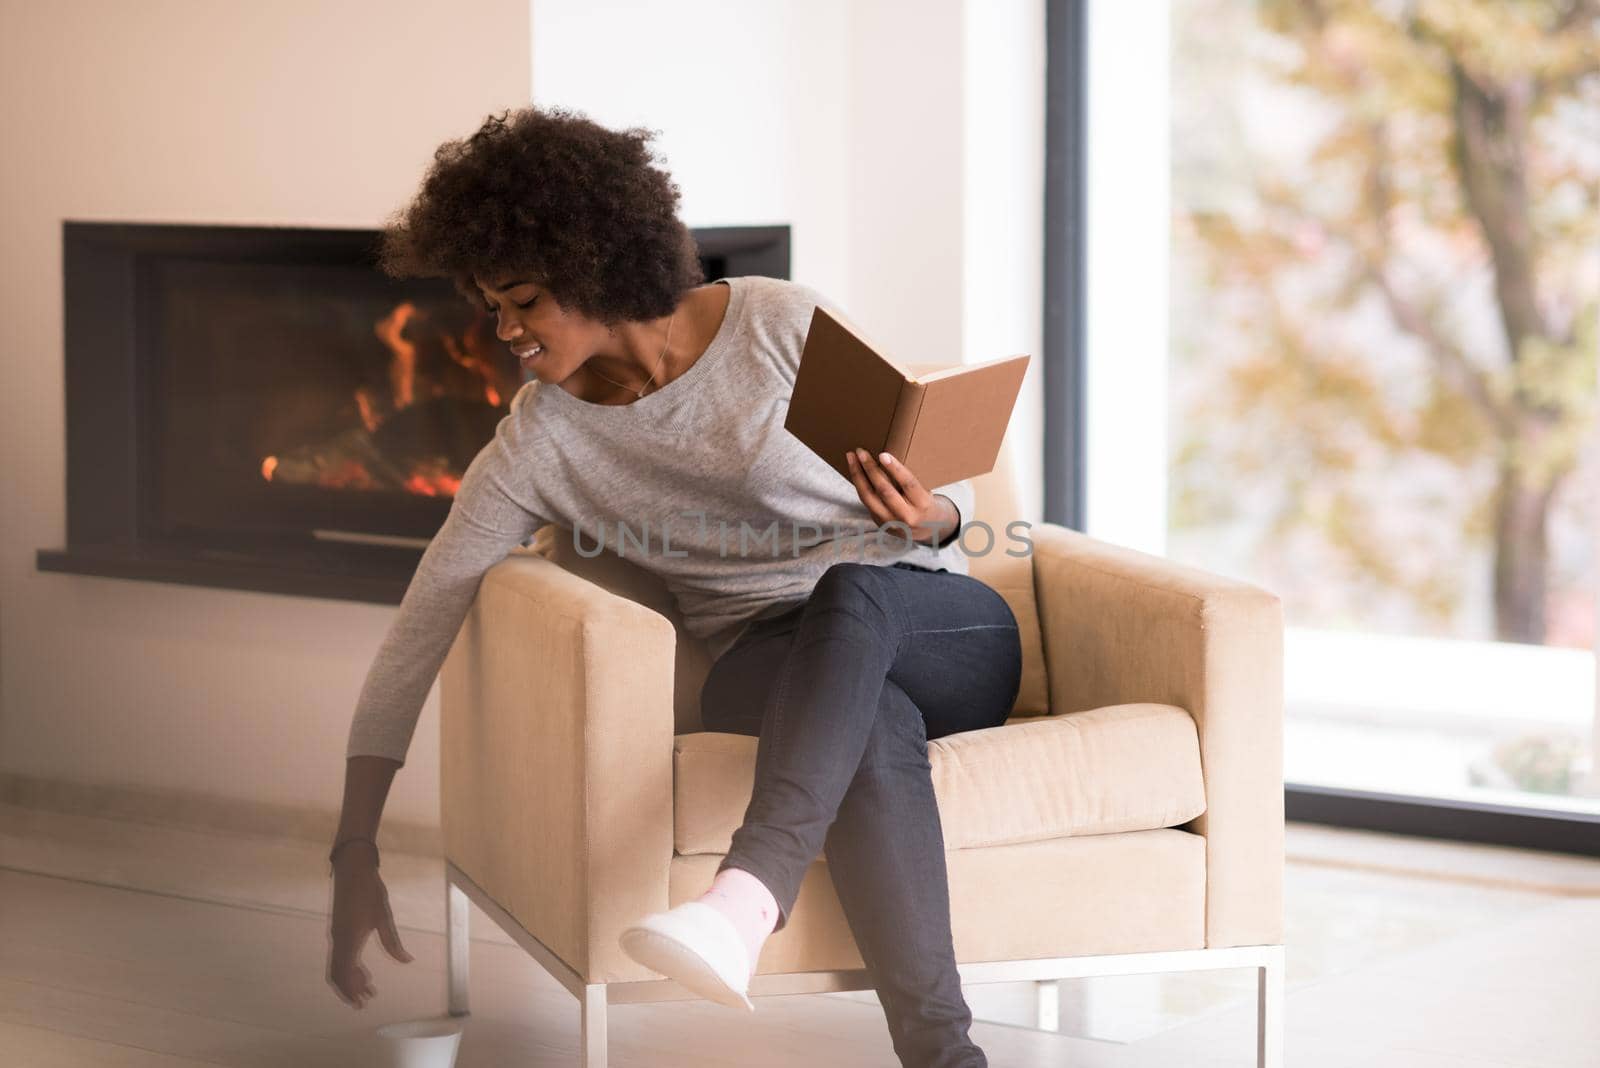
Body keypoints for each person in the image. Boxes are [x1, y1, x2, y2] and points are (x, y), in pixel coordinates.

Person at [326, 104, 1022, 1068]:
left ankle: (743, 898)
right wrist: (352, 847)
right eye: (491, 305)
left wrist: (929, 516)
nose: (505, 331)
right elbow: (423, 625)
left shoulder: (777, 322)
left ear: (595, 263)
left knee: (848, 600)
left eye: (523, 299)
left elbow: (947, 484)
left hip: (932, 625)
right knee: (870, 726)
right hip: (765, 666)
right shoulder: (542, 442)